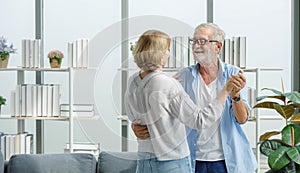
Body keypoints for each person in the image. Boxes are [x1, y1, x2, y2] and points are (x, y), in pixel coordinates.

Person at [132, 24, 258, 173]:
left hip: (226, 160)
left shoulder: (233, 74)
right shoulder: (183, 76)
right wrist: (137, 125)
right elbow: (162, 107)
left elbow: (242, 119)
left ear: (218, 46)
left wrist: (235, 95)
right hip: (193, 159)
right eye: (194, 41)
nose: (196, 46)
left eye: (202, 41)